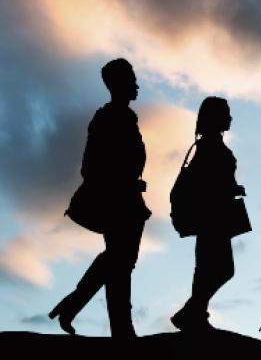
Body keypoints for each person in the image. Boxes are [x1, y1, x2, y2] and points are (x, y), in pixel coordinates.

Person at [50, 58, 151, 338]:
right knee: (120, 262)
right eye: (131, 79)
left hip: (128, 198)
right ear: (117, 84)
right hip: (117, 201)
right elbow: (90, 166)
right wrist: (120, 182)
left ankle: (76, 306)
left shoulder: (126, 117)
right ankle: (120, 328)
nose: (136, 85)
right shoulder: (107, 118)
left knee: (119, 261)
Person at [170, 97, 248, 332]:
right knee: (219, 269)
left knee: (208, 268)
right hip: (212, 217)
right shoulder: (209, 147)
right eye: (226, 113)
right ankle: (192, 312)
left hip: (215, 216)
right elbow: (208, 184)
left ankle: (195, 313)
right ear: (216, 118)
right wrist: (231, 189)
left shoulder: (209, 145)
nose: (230, 118)